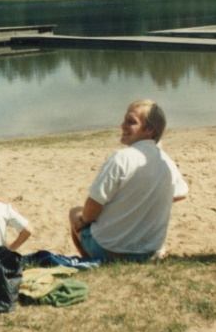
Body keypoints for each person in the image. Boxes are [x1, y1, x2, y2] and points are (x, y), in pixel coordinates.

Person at [68, 99, 188, 262]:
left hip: (109, 249)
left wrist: (82, 221)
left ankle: (90, 261)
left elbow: (92, 209)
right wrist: (144, 200)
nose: (122, 125)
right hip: (150, 251)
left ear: (149, 130)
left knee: (75, 212)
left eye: (131, 122)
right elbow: (181, 193)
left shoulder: (121, 158)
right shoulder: (165, 160)